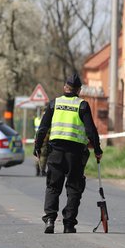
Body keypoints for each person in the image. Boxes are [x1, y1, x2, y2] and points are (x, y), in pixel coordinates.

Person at [33, 72, 103, 234]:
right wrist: (98, 150)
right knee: (74, 188)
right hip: (76, 155)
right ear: (79, 90)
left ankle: (50, 219)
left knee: (53, 186)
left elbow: (43, 128)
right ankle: (69, 224)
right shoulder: (82, 105)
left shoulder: (54, 104)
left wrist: (37, 147)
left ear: (65, 87)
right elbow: (91, 130)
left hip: (55, 152)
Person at [33, 109, 50, 176]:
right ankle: (42, 170)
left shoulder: (37, 119)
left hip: (36, 137)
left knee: (37, 154)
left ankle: (37, 169)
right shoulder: (47, 119)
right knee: (43, 155)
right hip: (45, 137)